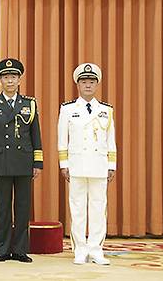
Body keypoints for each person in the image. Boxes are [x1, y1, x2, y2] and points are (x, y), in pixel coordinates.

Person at [0, 58, 43, 263]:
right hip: (1, 162)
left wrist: (38, 162)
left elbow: (36, 135)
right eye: (6, 77)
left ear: (19, 80)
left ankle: (20, 250)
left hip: (24, 161)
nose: (10, 80)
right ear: (0, 80)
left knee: (23, 207)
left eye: (14, 77)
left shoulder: (29, 104)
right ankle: (2, 249)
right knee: (4, 208)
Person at [58, 63, 116, 265]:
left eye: (92, 82)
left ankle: (96, 249)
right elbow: (62, 138)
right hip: (76, 164)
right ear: (78, 85)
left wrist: (112, 165)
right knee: (77, 208)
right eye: (84, 82)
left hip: (99, 165)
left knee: (99, 208)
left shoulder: (106, 110)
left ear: (97, 84)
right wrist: (63, 163)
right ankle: (80, 249)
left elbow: (111, 140)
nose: (88, 85)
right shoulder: (67, 109)